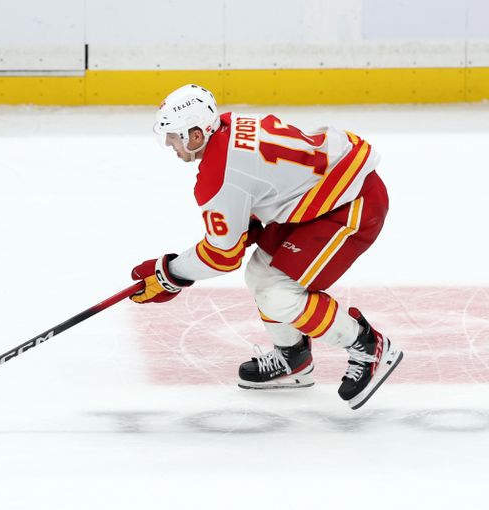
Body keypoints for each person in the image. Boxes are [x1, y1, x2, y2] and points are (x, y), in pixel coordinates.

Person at [129, 84, 403, 410]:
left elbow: (221, 256)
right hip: (320, 197)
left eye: (174, 137)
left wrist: (169, 274)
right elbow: (262, 183)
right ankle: (293, 358)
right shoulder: (228, 124)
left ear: (197, 135)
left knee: (279, 294)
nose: (170, 145)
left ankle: (368, 345)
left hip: (351, 203)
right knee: (261, 275)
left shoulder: (218, 176)